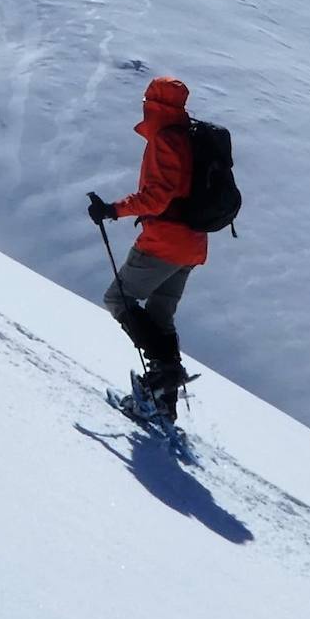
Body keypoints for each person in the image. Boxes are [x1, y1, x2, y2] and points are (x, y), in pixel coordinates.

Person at [88, 76, 206, 420]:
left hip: (165, 242)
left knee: (118, 298)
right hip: (192, 243)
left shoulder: (166, 140)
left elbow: (157, 197)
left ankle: (165, 376)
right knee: (160, 315)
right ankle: (164, 404)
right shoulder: (189, 137)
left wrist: (112, 210)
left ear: (153, 105)